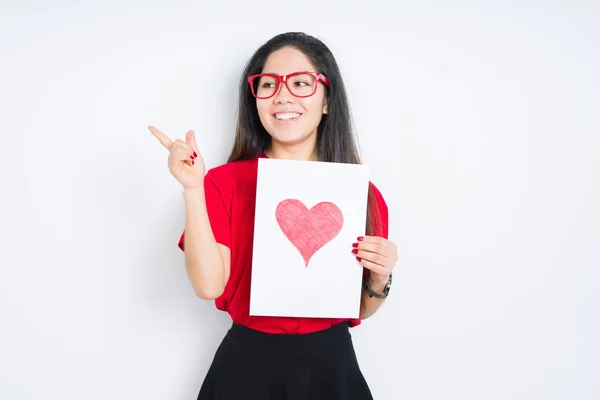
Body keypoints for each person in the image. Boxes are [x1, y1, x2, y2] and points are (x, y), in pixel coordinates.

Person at [149, 32, 398, 400]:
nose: (283, 95)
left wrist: (381, 275)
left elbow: (361, 307)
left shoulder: (362, 194)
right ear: (256, 100)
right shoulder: (222, 182)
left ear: (327, 100)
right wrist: (192, 188)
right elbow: (209, 286)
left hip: (332, 367)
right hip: (247, 367)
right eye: (268, 84)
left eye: (301, 83)